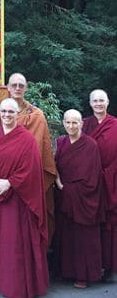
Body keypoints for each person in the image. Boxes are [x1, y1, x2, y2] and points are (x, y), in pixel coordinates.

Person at [0, 98, 49, 297]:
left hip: (15, 197)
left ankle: (13, 280)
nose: (7, 115)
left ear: (18, 114)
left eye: (11, 112)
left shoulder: (26, 139)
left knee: (11, 241)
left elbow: (30, 169)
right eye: (4, 112)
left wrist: (8, 183)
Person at [0, 73, 57, 246]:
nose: (18, 88)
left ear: (26, 88)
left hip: (28, 177)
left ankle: (32, 253)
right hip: (3, 176)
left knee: (27, 223)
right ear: (8, 87)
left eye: (21, 85)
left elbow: (40, 148)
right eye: (14, 85)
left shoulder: (37, 115)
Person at [54, 109, 104, 289]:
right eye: (68, 122)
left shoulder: (90, 145)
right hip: (64, 195)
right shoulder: (61, 142)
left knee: (83, 237)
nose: (71, 126)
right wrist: (59, 184)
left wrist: (68, 189)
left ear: (81, 124)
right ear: (63, 123)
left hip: (83, 199)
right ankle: (66, 272)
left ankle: (84, 275)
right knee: (66, 235)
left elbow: (93, 178)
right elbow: (55, 165)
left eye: (75, 122)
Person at [82, 89, 117, 282]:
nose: (98, 104)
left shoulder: (115, 125)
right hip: (89, 182)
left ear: (108, 102)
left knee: (111, 224)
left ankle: (111, 266)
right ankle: (93, 266)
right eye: (95, 100)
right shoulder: (84, 125)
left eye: (101, 100)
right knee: (92, 223)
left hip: (111, 180)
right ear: (90, 103)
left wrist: (109, 174)